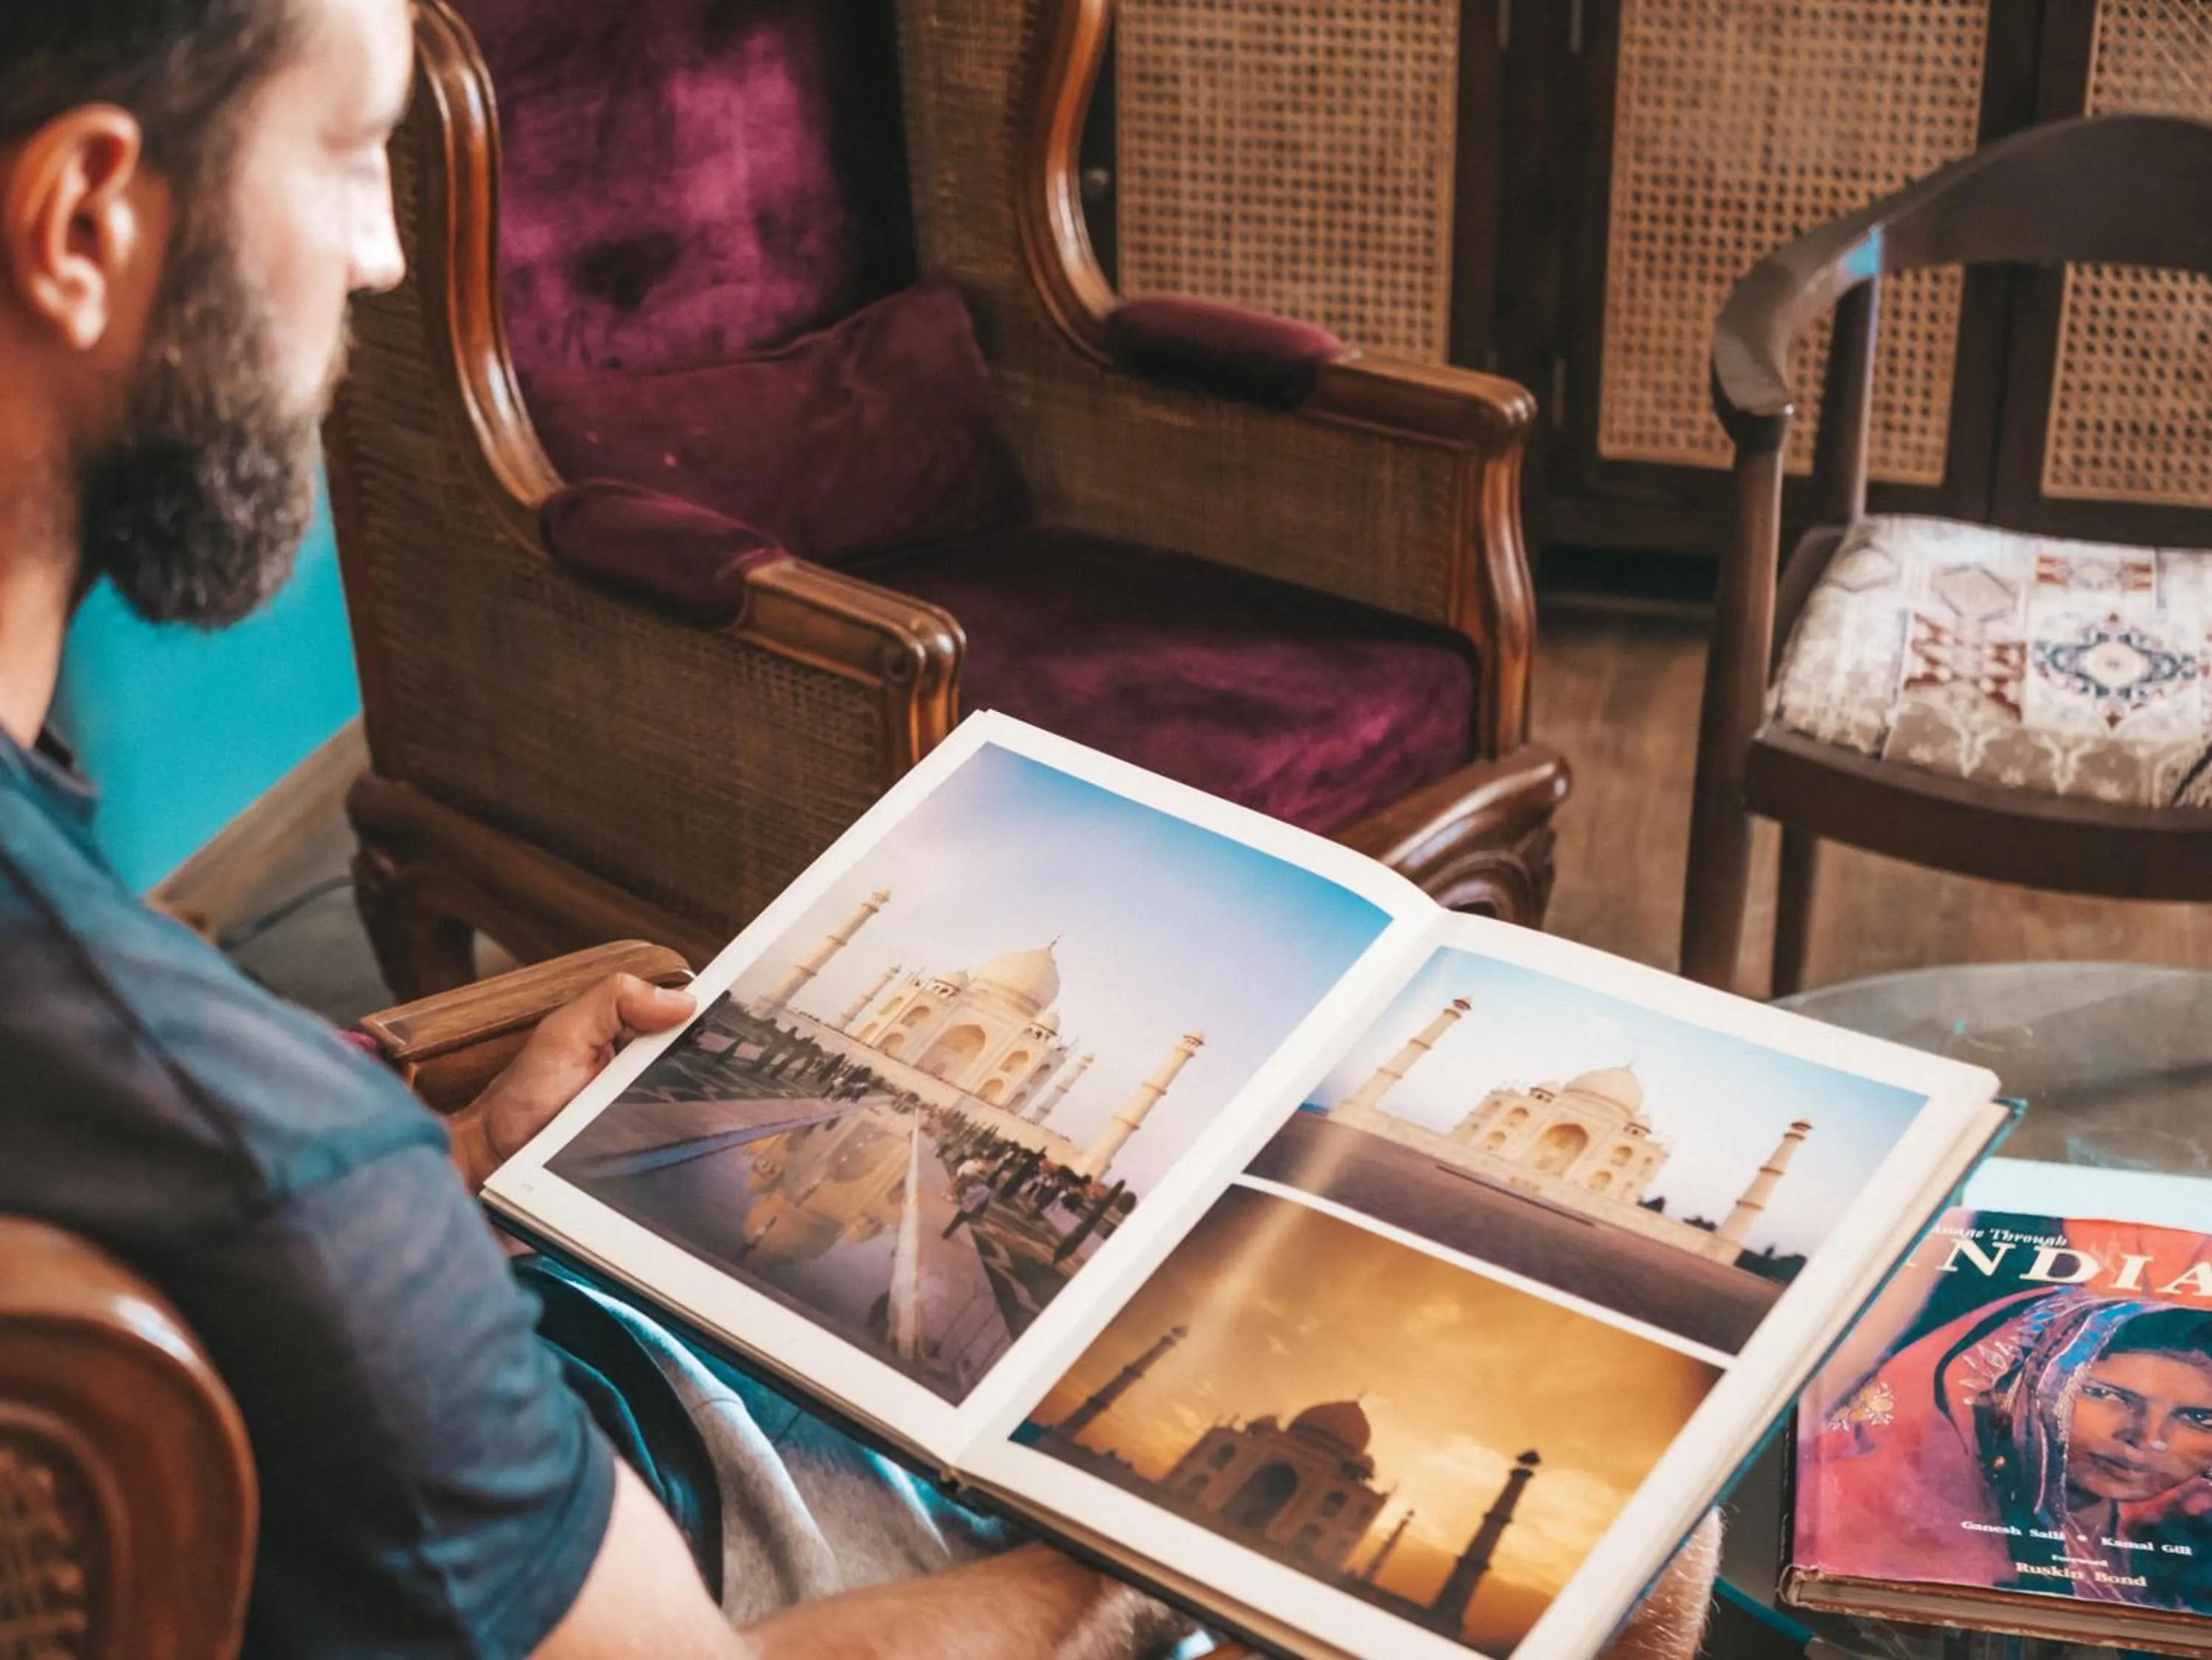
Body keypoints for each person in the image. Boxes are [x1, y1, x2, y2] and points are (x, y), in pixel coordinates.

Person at [0, 1, 1719, 1653]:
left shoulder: (214, 1098)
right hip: (687, 1532)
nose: (386, 254)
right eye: (352, 151)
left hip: (463, 1364)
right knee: (1647, 1549)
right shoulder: (268, 1147)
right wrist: (1166, 1552)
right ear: (82, 222)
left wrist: (454, 1173)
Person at [1807, 1287, 2212, 1608]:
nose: (2147, 1438)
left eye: (2198, 1418)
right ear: (2016, 1387)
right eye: (2108, 1395)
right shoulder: (1876, 1521)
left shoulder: (2169, 1550)